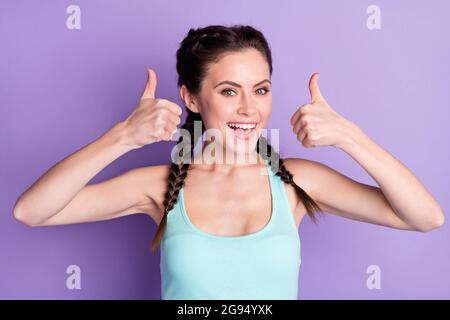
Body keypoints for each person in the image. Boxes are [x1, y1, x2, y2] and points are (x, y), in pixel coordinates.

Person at [13, 24, 444, 300]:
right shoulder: (161, 186)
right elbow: (31, 211)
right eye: (228, 91)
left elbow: (425, 217)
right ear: (191, 97)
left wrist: (351, 138)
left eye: (260, 90)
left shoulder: (296, 182)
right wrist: (121, 138)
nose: (248, 109)